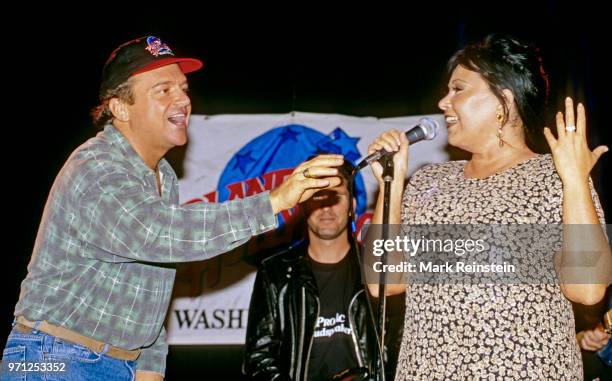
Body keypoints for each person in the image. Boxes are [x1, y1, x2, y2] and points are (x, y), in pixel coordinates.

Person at [0, 35, 343, 381]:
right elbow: (157, 233)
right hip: (53, 358)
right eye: (163, 90)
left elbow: (152, 285)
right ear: (120, 107)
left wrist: (149, 365)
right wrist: (274, 201)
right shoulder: (97, 166)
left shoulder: (163, 176)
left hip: (117, 364)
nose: (182, 100)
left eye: (183, 88)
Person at [366, 34, 611, 379]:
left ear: (503, 100)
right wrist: (390, 184)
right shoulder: (428, 182)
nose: (443, 102)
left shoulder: (553, 174)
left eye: (458, 89)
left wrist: (573, 180)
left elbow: (587, 290)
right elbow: (384, 282)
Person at [243, 159, 383, 381]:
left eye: (335, 197)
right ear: (302, 205)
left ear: (353, 207)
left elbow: (398, 348)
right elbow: (258, 360)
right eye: (317, 196)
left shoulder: (378, 270)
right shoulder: (276, 272)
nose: (326, 207)